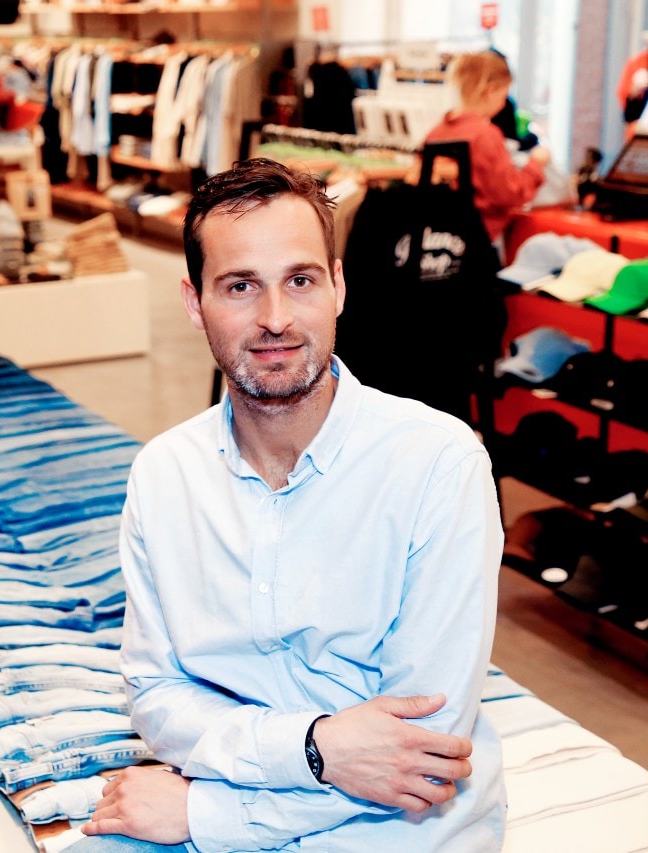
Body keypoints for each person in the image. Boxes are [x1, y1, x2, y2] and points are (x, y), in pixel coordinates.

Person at [71, 159, 505, 851]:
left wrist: (210, 814)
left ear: (337, 287)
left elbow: (422, 754)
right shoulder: (165, 476)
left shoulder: (436, 465)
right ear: (194, 302)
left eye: (299, 280)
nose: (275, 319)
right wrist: (317, 744)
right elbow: (156, 698)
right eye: (241, 286)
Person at [423, 51, 549, 244]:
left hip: (437, 237)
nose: (503, 103)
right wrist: (535, 165)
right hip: (476, 239)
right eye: (503, 95)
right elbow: (511, 193)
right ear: (491, 91)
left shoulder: (437, 132)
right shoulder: (486, 135)